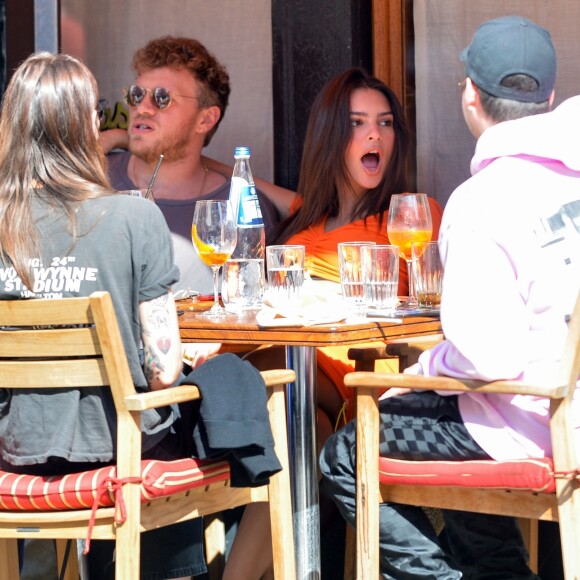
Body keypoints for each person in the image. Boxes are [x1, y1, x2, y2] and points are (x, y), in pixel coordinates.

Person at [321, 15, 580, 578]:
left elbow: (489, 357)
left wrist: (410, 377)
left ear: (470, 96)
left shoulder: (483, 197)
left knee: (346, 452)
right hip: (562, 411)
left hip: (531, 422)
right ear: (551, 98)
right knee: (452, 420)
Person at [0, 51, 263, 580]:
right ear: (85, 126)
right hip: (115, 450)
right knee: (238, 401)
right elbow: (163, 372)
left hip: (16, 449)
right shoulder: (133, 215)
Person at [220, 67, 443, 579]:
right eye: (358, 123)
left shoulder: (408, 217)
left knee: (268, 379)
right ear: (329, 137)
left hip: (368, 388)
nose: (374, 135)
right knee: (295, 433)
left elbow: (438, 315)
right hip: (312, 401)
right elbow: (249, 183)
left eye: (385, 124)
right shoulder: (304, 224)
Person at [103, 36, 280, 295]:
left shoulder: (242, 206)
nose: (143, 108)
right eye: (136, 95)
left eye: (162, 98)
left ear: (206, 119)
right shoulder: (89, 175)